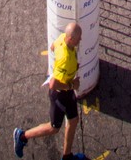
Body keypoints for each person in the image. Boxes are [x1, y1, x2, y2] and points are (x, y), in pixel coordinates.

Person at [12, 22, 86, 160]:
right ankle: (22, 136)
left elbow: (53, 47)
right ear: (70, 39)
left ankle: (67, 156)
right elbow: (53, 84)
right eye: (78, 38)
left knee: (74, 120)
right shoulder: (65, 59)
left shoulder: (62, 38)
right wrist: (72, 85)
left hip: (67, 91)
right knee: (54, 128)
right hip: (60, 95)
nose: (80, 40)